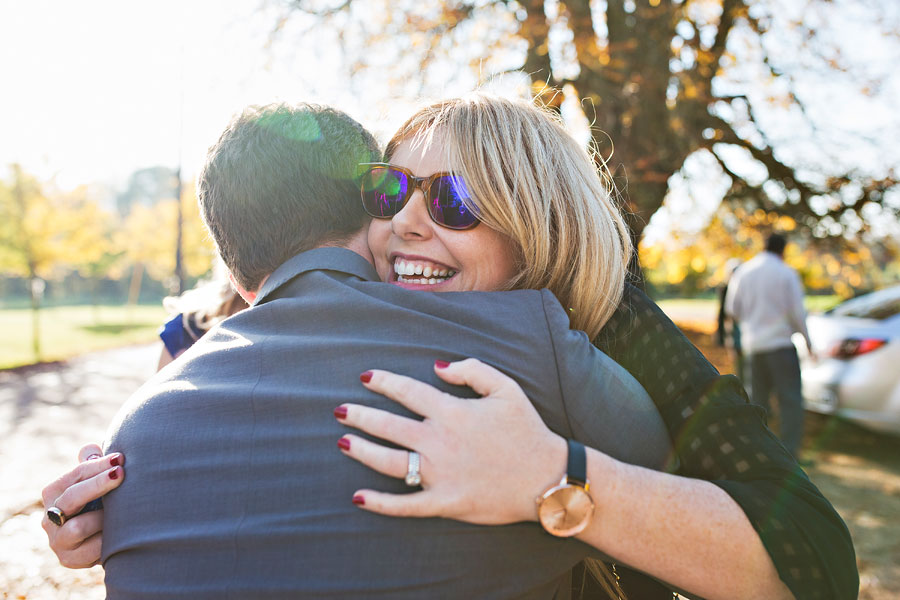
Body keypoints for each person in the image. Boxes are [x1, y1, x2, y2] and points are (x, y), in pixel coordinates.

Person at [42, 96, 856, 599]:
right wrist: (125, 500)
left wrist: (549, 475)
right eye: (388, 191)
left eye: (457, 202)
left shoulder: (605, 328)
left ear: (538, 230)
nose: (406, 222)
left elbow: (814, 566)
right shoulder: (351, 337)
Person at [725, 233, 813, 459]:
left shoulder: (744, 272)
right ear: (783, 250)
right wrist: (808, 341)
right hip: (781, 345)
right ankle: (790, 453)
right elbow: (797, 312)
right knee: (790, 401)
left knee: (757, 401)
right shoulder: (786, 273)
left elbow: (732, 309)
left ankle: (758, 452)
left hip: (753, 346)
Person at [717, 257, 745, 384]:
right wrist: (721, 335)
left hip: (745, 332)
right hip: (734, 330)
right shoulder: (725, 288)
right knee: (738, 363)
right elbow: (723, 312)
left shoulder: (746, 287)